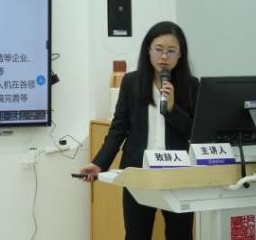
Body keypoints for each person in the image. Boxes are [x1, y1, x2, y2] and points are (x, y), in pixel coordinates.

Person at [80, 21, 199, 240]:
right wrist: (99, 163)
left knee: (181, 234)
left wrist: (173, 109)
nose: (164, 56)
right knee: (136, 235)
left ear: (180, 54)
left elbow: (195, 132)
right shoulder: (132, 82)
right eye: (159, 49)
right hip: (138, 172)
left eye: (171, 51)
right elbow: (119, 128)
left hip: (178, 173)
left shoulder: (191, 85)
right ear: (148, 50)